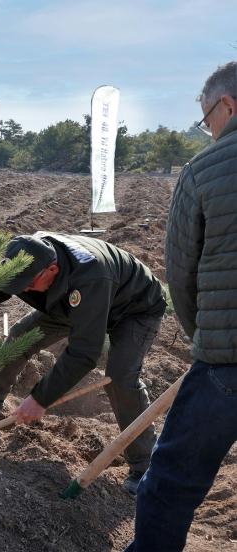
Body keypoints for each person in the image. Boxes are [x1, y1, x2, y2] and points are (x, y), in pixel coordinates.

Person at [0, 232, 166, 494]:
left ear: (52, 270)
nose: (23, 290)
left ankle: (145, 464)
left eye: (28, 285)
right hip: (70, 301)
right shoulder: (28, 257)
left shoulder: (91, 277)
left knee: (120, 377)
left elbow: (84, 352)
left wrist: (40, 398)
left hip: (134, 308)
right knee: (22, 335)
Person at [126, 62, 237, 552]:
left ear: (227, 105)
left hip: (225, 364)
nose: (208, 129)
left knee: (169, 484)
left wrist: (206, 341)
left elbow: (181, 274)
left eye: (207, 118)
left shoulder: (203, 170)